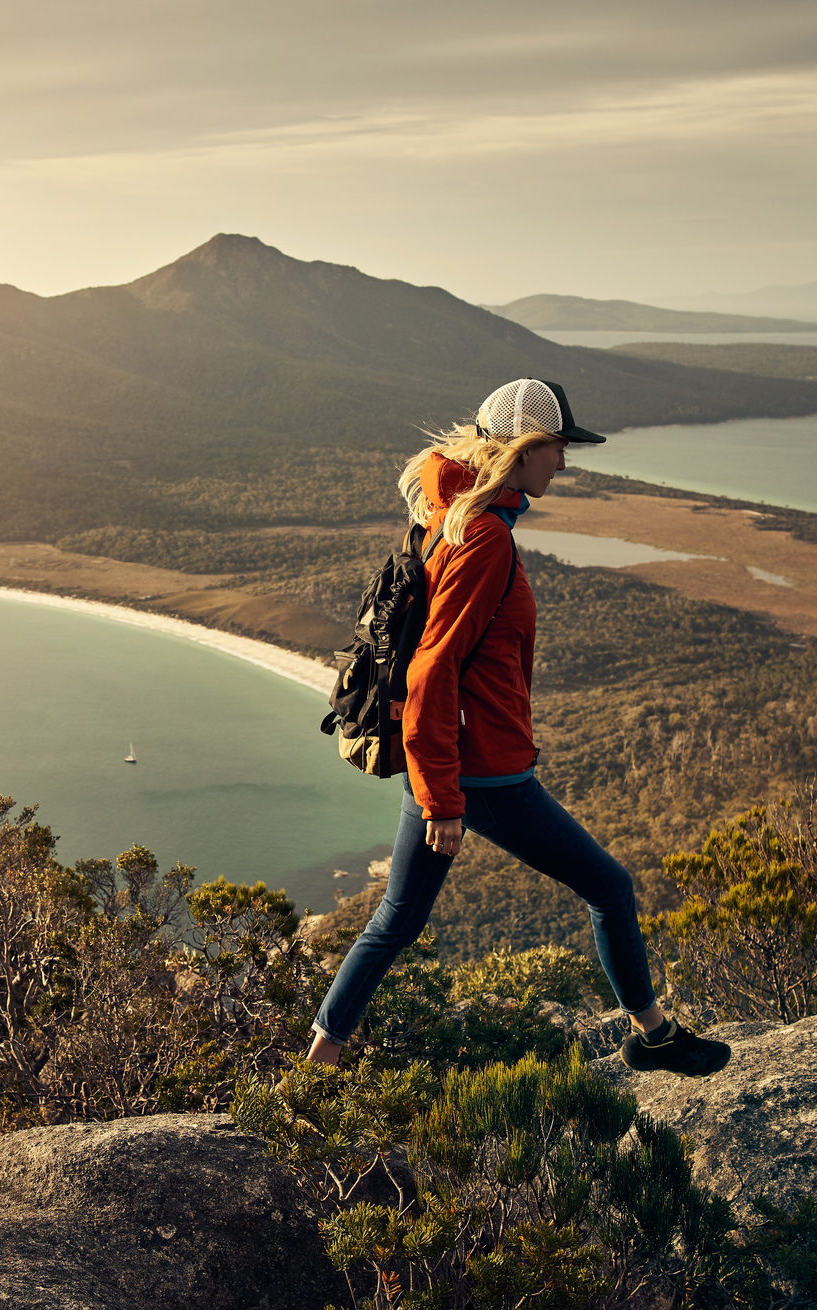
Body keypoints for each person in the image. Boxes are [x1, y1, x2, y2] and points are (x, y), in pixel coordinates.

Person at [305, 378, 730, 1077]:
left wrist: (434, 781)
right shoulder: (484, 539)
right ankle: (652, 1035)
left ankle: (318, 1061)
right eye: (559, 447)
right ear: (525, 448)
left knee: (394, 921)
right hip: (482, 771)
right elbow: (433, 669)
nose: (564, 462)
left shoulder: (450, 517)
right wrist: (445, 797)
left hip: (446, 760)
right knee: (610, 888)